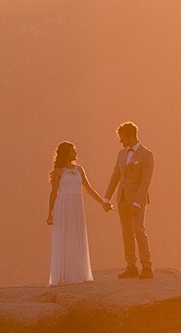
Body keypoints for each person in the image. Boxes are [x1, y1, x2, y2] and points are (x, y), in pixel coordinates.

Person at [44, 140, 111, 285]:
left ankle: (77, 273)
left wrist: (103, 203)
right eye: (73, 151)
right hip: (63, 206)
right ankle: (65, 275)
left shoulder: (79, 170)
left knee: (77, 235)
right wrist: (50, 213)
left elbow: (88, 188)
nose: (76, 153)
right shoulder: (58, 172)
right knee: (65, 236)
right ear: (66, 154)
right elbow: (53, 192)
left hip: (77, 206)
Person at [107, 120, 155, 278]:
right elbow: (116, 175)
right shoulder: (121, 154)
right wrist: (107, 197)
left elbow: (145, 181)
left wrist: (137, 202)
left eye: (122, 138)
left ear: (130, 136)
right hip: (122, 198)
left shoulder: (146, 155)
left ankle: (146, 266)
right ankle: (131, 265)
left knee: (139, 231)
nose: (121, 141)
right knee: (126, 232)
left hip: (137, 200)